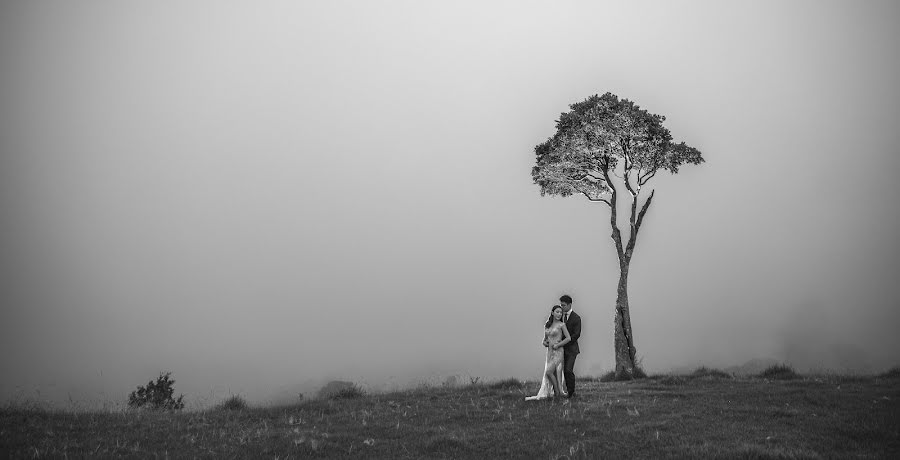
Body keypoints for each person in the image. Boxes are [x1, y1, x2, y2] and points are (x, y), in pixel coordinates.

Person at [525, 305, 571, 400]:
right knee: (551, 373)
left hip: (558, 352)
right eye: (557, 312)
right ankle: (556, 393)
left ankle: (558, 392)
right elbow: (545, 339)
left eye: (560, 312)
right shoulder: (547, 325)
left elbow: (568, 338)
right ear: (552, 312)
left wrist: (558, 345)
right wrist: (544, 342)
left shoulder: (562, 325)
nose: (559, 314)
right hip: (549, 352)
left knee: (549, 372)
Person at [559, 294, 581, 398]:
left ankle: (571, 392)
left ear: (569, 305)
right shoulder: (559, 316)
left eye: (563, 305)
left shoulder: (576, 318)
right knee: (563, 370)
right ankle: (567, 391)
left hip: (572, 349)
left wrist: (565, 342)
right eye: (561, 305)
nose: (561, 307)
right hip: (560, 349)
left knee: (568, 370)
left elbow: (577, 334)